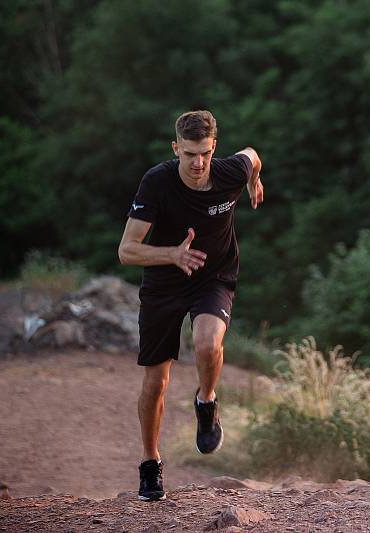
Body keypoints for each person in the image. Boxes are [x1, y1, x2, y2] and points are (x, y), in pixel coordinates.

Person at [118, 110, 263, 501]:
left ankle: (206, 400)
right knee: (156, 381)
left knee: (207, 343)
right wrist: (171, 255)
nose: (198, 164)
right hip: (165, 282)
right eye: (188, 155)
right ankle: (151, 463)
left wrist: (254, 179)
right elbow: (127, 250)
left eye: (204, 153)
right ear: (175, 149)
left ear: (214, 147)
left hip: (212, 277)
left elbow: (252, 154)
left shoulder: (230, 171)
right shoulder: (157, 183)